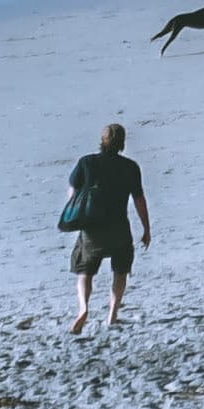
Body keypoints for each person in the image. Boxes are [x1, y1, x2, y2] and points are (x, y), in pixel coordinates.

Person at [60, 118, 153, 335]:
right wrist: (146, 229)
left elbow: (73, 192)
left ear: (102, 141)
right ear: (122, 143)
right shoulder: (130, 167)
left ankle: (83, 309)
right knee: (120, 272)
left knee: (85, 271)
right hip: (119, 229)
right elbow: (139, 200)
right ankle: (112, 316)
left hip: (92, 229)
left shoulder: (86, 163)